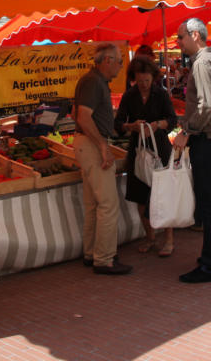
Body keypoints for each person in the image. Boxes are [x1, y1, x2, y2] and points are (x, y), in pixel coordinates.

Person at [173, 18, 211, 283]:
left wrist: (187, 131)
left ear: (195, 35)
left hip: (207, 139)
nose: (178, 42)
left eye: (181, 37)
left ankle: (210, 265)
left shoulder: (202, 63)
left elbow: (205, 105)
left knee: (210, 204)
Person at [73, 42, 132, 275]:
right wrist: (102, 145)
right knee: (108, 204)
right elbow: (83, 116)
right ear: (106, 60)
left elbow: (77, 113)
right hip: (91, 145)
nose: (120, 65)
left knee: (94, 204)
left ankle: (92, 253)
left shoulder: (93, 81)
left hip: (86, 144)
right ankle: (105, 258)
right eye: (119, 60)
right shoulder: (93, 81)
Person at [115, 56, 178, 257]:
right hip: (138, 150)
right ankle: (150, 236)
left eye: (147, 81)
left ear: (153, 78)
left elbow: (173, 120)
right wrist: (130, 127)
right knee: (140, 196)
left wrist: (157, 125)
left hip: (159, 148)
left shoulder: (161, 94)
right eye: (140, 80)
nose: (143, 85)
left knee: (163, 195)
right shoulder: (129, 96)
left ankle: (168, 239)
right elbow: (118, 124)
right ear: (134, 78)